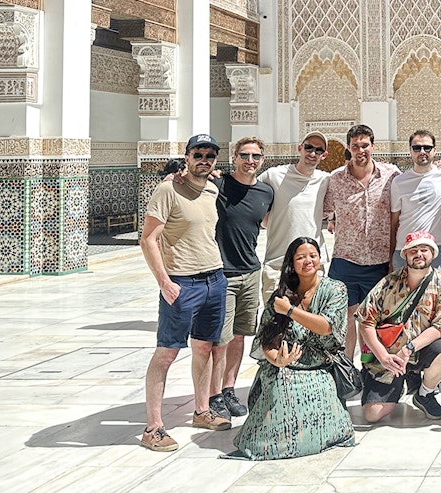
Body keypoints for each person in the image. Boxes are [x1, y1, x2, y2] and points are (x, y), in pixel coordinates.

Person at [139, 134, 231, 451]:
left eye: (210, 155)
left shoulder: (211, 190)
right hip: (182, 282)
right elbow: (148, 239)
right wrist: (164, 281)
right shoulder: (168, 189)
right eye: (198, 154)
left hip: (214, 279)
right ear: (187, 157)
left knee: (205, 347)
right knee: (167, 352)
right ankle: (153, 427)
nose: (204, 160)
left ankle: (202, 411)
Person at [226, 237, 356, 460]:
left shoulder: (336, 289)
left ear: (320, 259)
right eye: (301, 257)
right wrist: (276, 359)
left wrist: (290, 311)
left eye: (312, 255)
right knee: (281, 390)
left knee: (314, 393)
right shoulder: (281, 296)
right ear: (292, 263)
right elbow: (266, 338)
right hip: (283, 366)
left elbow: (327, 327)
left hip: (320, 366)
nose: (308, 261)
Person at [356, 231, 441, 422]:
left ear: (433, 254)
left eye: (424, 250)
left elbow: (440, 327)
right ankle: (401, 385)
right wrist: (383, 357)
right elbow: (366, 321)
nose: (419, 254)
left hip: (417, 350)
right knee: (372, 414)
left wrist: (409, 349)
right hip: (389, 356)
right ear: (406, 255)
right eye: (414, 251)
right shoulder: (388, 283)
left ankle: (424, 393)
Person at [209, 136, 274, 420]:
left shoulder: (265, 192)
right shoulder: (218, 184)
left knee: (238, 337)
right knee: (219, 339)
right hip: (222, 273)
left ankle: (229, 389)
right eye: (245, 155)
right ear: (234, 157)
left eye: (256, 156)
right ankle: (213, 395)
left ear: (263, 160)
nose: (250, 161)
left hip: (250, 271)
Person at [324, 124, 400, 358]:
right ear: (349, 147)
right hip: (345, 259)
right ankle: (347, 369)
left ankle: (371, 369)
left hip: (379, 262)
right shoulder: (336, 179)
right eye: (355, 146)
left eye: (365, 145)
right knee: (345, 317)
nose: (360, 150)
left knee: (374, 319)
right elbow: (323, 210)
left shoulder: (390, 175)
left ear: (372, 146)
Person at [259, 131, 331, 297]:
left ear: (324, 155)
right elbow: (248, 187)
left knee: (310, 318)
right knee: (275, 320)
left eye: (318, 150)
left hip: (312, 266)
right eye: (309, 147)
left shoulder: (326, 180)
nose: (313, 153)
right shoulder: (273, 175)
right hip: (278, 264)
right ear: (300, 148)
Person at [390, 130, 441, 274]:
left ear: (435, 150)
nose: (422, 152)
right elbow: (394, 222)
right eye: (417, 148)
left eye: (427, 147)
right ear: (410, 151)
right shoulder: (399, 181)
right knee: (403, 295)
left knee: (435, 295)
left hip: (435, 248)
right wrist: (390, 256)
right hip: (405, 249)